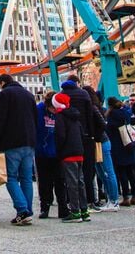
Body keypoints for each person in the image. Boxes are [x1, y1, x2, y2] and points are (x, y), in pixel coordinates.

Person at [0, 73, 37, 225]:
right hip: (29, 142)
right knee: (26, 179)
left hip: (12, 142)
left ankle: (22, 210)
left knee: (10, 177)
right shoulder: (29, 95)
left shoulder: (5, 94)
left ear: (2, 83)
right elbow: (35, 118)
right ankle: (27, 211)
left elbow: (1, 119)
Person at [60, 76, 99, 210]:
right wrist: (91, 134)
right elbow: (90, 115)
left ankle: (72, 202)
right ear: (76, 83)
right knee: (87, 171)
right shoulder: (84, 94)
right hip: (86, 136)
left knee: (69, 174)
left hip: (69, 138)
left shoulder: (62, 95)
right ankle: (89, 200)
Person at [52, 92, 90, 223]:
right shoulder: (75, 116)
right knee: (80, 182)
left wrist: (59, 151)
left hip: (68, 154)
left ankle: (75, 212)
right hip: (79, 152)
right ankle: (84, 210)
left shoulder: (60, 117)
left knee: (71, 183)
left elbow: (60, 136)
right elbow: (81, 133)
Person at [35, 91, 68, 220]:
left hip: (57, 151)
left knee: (60, 181)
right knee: (44, 182)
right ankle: (45, 207)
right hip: (42, 151)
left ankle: (62, 207)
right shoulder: (39, 111)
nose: (55, 111)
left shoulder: (60, 111)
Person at [84, 85, 118, 212]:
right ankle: (111, 199)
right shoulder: (96, 106)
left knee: (107, 172)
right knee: (103, 172)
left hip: (100, 142)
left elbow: (102, 124)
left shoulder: (92, 108)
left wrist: (94, 135)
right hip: (101, 141)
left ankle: (114, 200)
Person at [106, 97, 135, 207]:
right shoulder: (126, 113)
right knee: (131, 172)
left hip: (117, 145)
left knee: (122, 173)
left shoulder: (110, 116)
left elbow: (108, 130)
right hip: (129, 143)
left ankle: (126, 197)